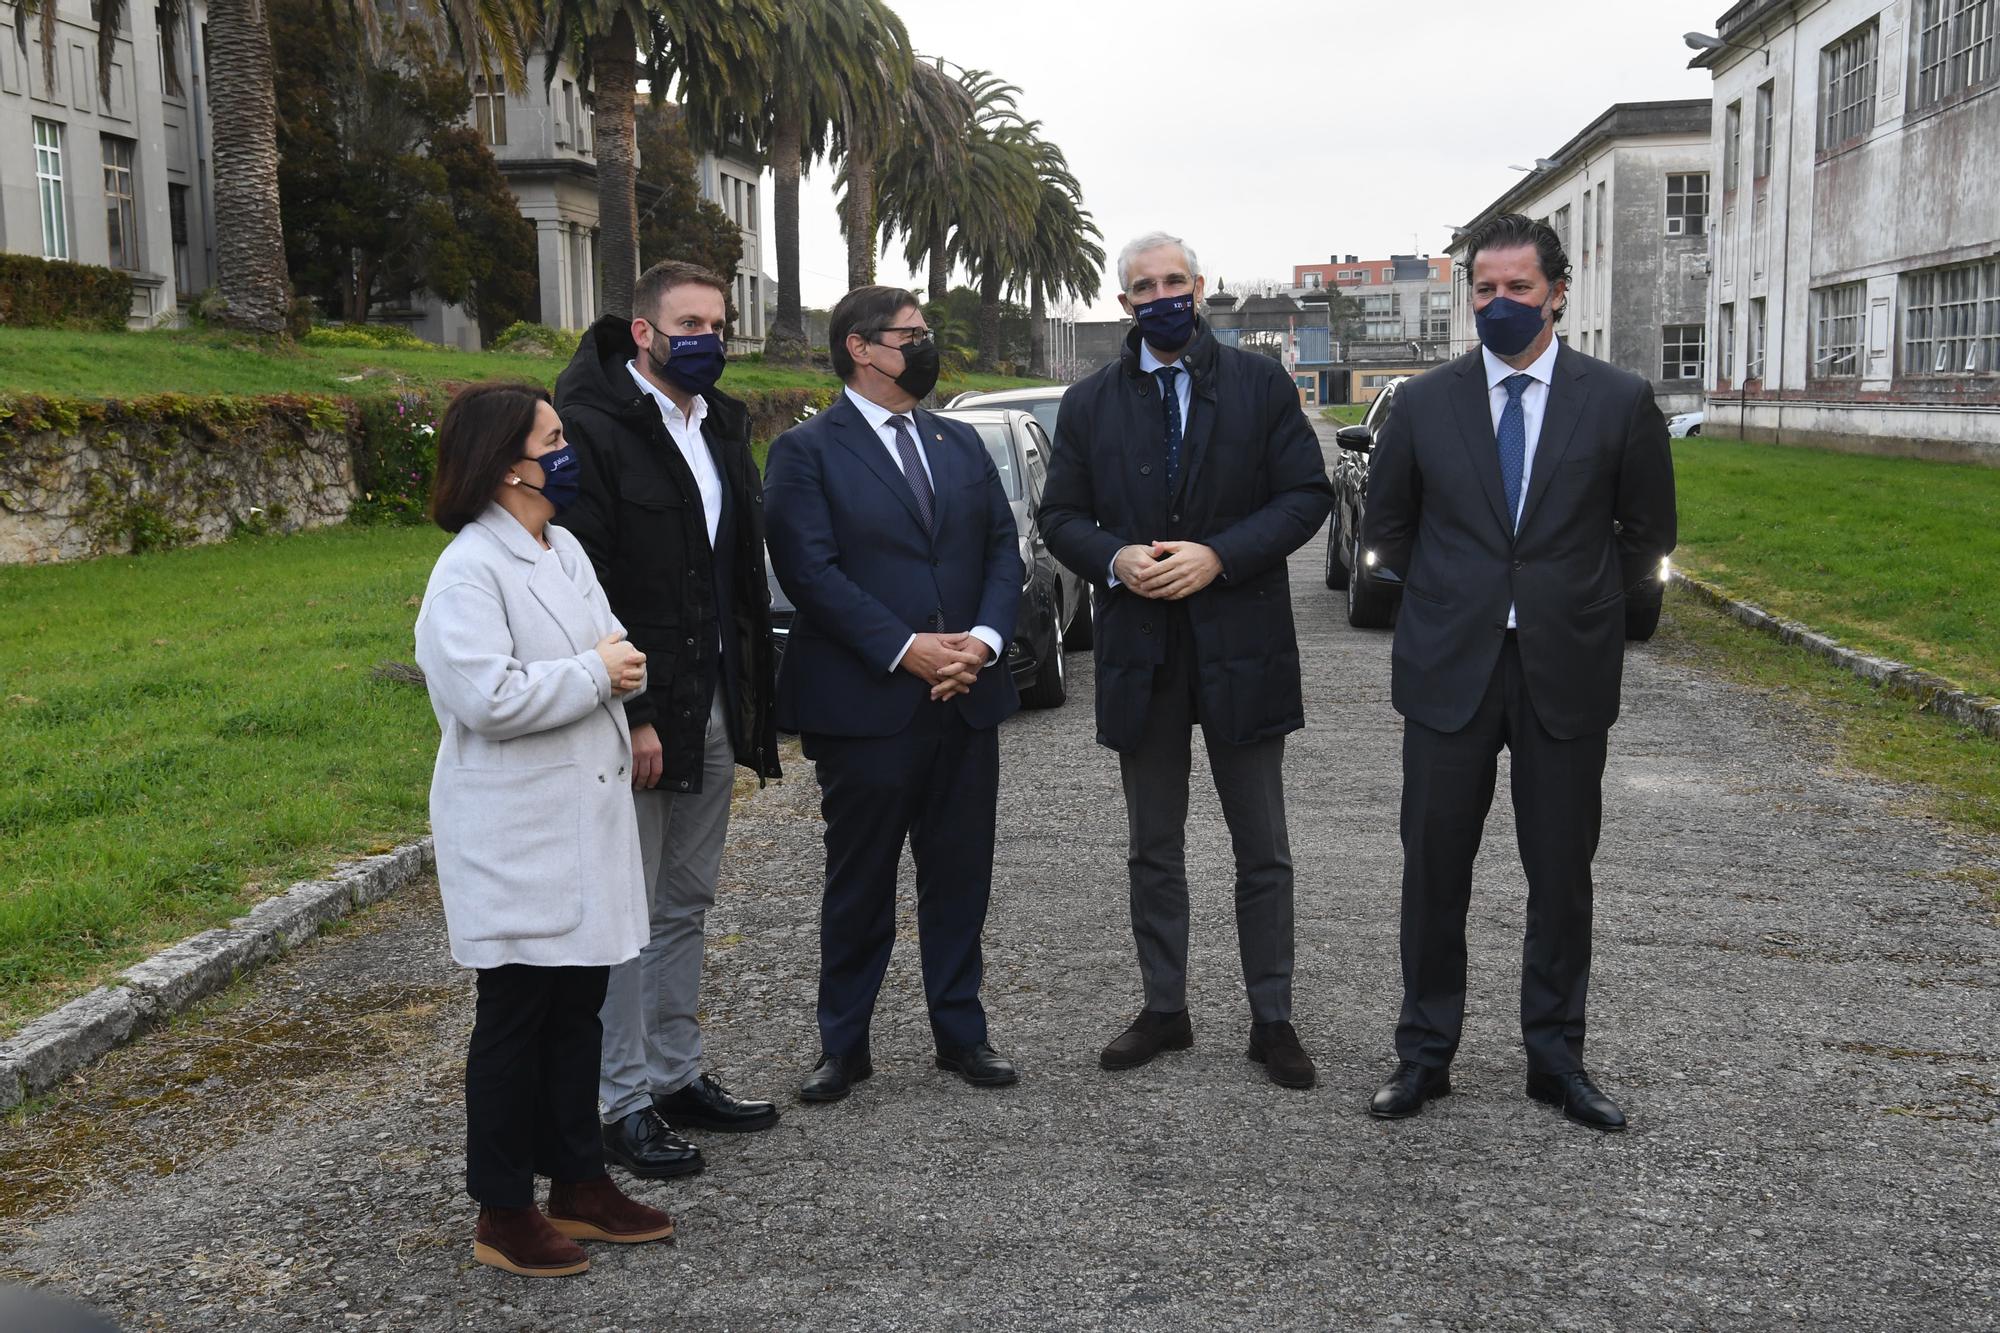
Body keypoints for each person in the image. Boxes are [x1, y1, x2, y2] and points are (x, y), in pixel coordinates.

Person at [1361, 213, 1677, 1131]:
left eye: (1519, 289)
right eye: (1485, 290)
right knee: (1433, 871)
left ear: (1558, 292)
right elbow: (1388, 533)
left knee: (1561, 873)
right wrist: (1458, 599)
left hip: (1563, 672)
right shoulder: (1423, 403)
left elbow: (1647, 537)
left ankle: (1556, 1058)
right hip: (1450, 672)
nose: (1499, 304)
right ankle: (1424, 1053)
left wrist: (1573, 604)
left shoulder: (1617, 401)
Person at [1039, 231, 1335, 1090]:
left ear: (1200, 288)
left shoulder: (1258, 383)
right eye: (1144, 285)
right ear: (1123, 299)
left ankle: (1271, 1017)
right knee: (1152, 845)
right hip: (1144, 651)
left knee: (1263, 846)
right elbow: (1061, 514)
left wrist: (1219, 555)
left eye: (1175, 281)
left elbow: (1306, 496)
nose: (1161, 295)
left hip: (1243, 643)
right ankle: (1164, 1007)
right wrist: (1116, 558)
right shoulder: (1091, 402)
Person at [414, 382, 676, 1278]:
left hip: (581, 818)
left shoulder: (560, 547)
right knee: (516, 1017)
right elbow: (487, 698)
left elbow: (616, 646)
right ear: (506, 462)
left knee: (579, 1010)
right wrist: (597, 673)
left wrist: (609, 673)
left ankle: (578, 1180)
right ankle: (501, 1206)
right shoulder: (467, 572)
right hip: (516, 832)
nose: (567, 450)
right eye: (553, 437)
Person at [763, 285, 1024, 1103]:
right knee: (861, 880)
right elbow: (810, 572)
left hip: (964, 697)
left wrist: (979, 643)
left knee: (959, 878)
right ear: (861, 349)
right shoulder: (806, 451)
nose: (925, 344)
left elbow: (1002, 551)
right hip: (866, 706)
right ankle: (845, 1045)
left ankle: (962, 1033)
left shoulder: (957, 441)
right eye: (912, 334)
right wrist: (905, 648)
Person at [556, 262, 784, 1180]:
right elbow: (587, 583)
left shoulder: (721, 422)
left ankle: (677, 1071)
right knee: (628, 912)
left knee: (686, 900)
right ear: (643, 332)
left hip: (717, 699)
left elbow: (734, 571)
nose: (710, 339)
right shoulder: (594, 427)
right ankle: (621, 1102)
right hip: (642, 712)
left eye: (720, 324)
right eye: (690, 322)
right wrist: (636, 712)